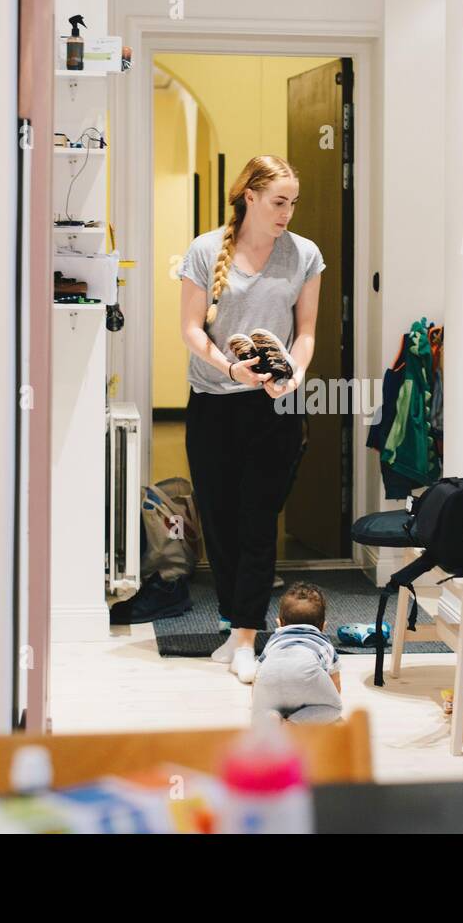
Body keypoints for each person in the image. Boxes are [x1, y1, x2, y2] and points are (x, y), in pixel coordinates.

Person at [178, 154, 325, 684]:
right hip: (214, 401)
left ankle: (246, 635)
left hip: (275, 405)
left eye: (293, 202)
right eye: (279, 202)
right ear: (251, 198)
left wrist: (297, 371)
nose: (287, 212)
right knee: (219, 520)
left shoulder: (304, 254)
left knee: (258, 519)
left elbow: (304, 330)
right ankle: (230, 621)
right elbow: (192, 329)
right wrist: (228, 367)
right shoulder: (205, 249)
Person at [251, 582, 342, 724]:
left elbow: (256, 677)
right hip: (305, 673)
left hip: (270, 675)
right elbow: (336, 686)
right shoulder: (324, 644)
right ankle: (295, 723)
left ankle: (271, 716)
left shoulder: (274, 641)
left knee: (263, 708)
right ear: (323, 626)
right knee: (334, 708)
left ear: (279, 623)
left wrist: (260, 704)